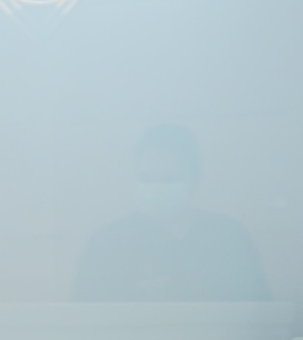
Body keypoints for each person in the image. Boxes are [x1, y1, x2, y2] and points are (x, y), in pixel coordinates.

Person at [72, 126, 270, 301]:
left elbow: (258, 314)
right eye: (146, 178)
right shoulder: (106, 243)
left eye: (170, 178)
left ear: (195, 179)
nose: (157, 188)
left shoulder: (228, 237)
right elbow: (84, 320)